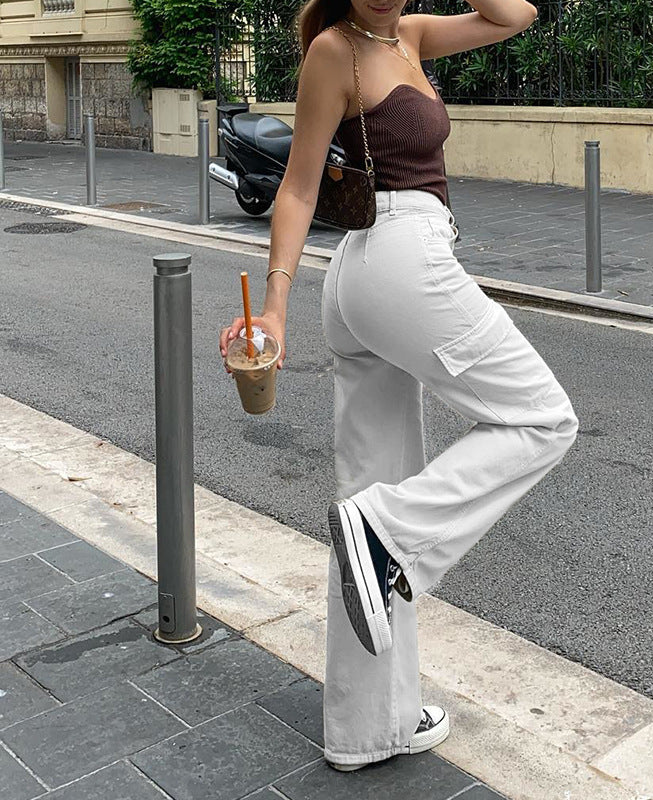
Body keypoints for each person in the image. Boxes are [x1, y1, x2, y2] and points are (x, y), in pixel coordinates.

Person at [219, 0, 579, 773]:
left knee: (369, 499)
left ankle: (367, 729)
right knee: (543, 419)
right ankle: (390, 533)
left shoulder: (409, 34)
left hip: (377, 274)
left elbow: (514, 15)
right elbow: (299, 187)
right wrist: (274, 307)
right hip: (393, 259)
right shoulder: (333, 49)